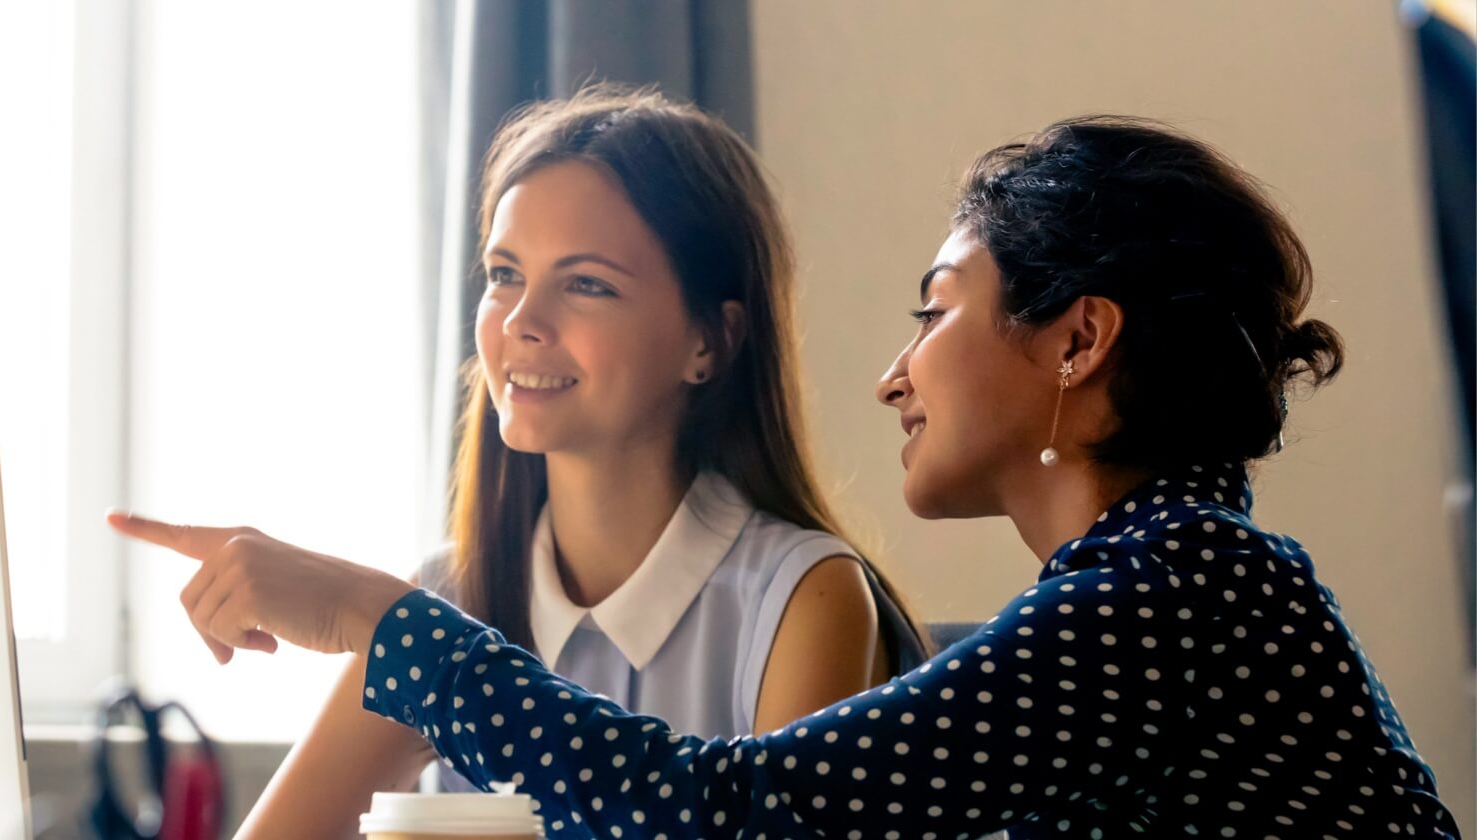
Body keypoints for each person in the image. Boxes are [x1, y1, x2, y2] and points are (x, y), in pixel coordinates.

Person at [111, 115, 1462, 838]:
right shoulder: (1155, 595)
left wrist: (379, 625)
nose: (896, 371)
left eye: (936, 311)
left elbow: (737, 814)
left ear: (1075, 340)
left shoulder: (1172, 597)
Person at [216, 87, 925, 838]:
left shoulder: (806, 598)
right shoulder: (450, 596)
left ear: (708, 342)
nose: (522, 322)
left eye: (587, 284)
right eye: (503, 274)